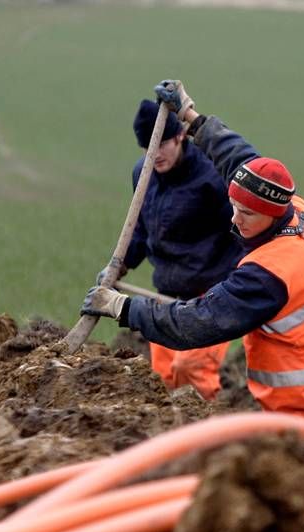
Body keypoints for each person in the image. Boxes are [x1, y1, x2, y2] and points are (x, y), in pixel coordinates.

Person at [83, 80, 304, 436]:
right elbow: (240, 158)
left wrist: (121, 308)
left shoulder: (267, 274)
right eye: (234, 207)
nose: (235, 220)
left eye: (246, 215)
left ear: (269, 214)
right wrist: (191, 114)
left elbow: (198, 323)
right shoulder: (293, 208)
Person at [99, 99, 243, 400]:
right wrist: (121, 266)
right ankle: (173, 441)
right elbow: (139, 229)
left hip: (211, 297)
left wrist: (243, 282)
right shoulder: (144, 174)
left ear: (180, 136)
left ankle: (206, 440)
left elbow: (241, 230)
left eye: (163, 143)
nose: (156, 154)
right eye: (148, 147)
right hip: (166, 296)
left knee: (192, 372)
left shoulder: (210, 177)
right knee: (163, 381)